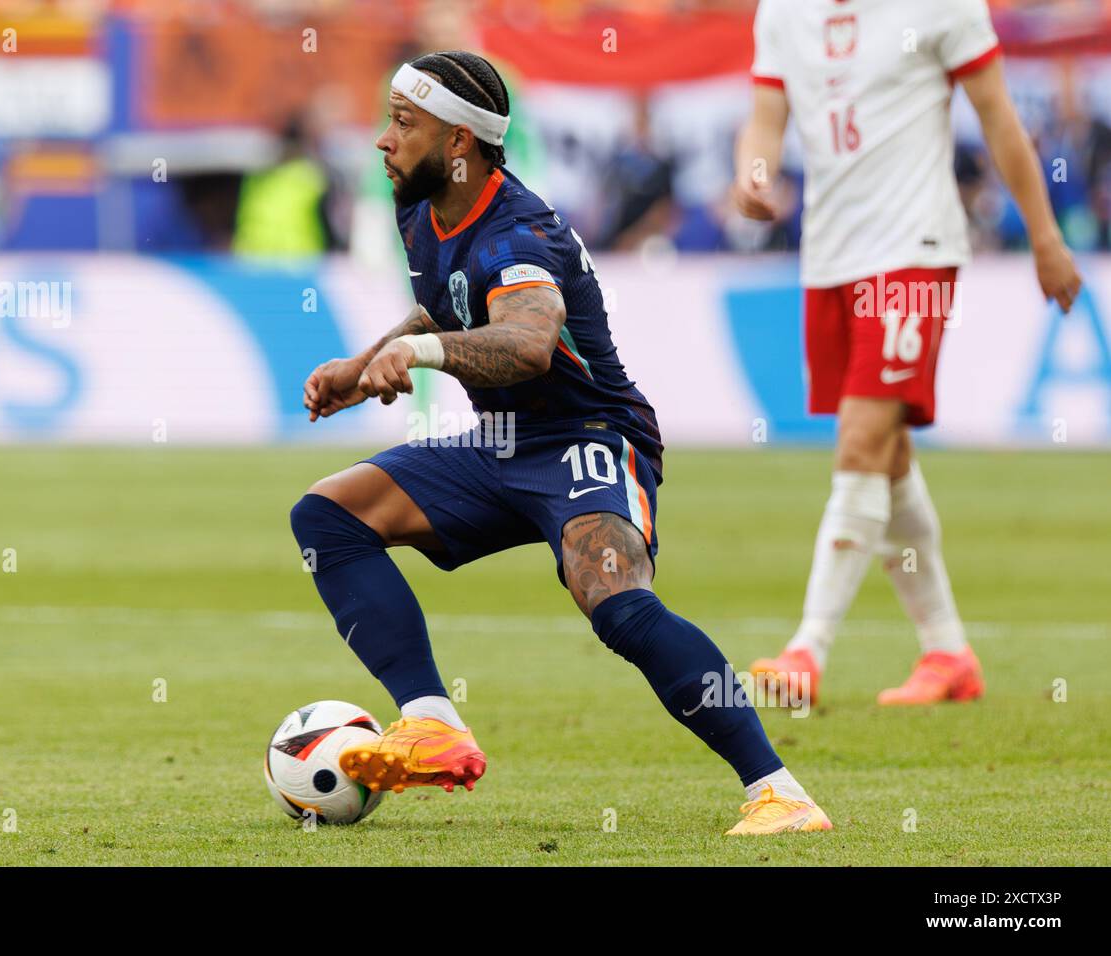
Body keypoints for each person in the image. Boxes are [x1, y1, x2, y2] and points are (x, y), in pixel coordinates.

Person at [291, 50, 831, 834]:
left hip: (589, 438)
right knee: (329, 517)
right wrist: (369, 358)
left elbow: (530, 340)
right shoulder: (420, 209)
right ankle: (432, 720)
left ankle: (779, 791)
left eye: (403, 124)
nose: (382, 139)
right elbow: (448, 303)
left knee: (615, 602)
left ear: (458, 145)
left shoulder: (519, 233)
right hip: (502, 441)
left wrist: (422, 355)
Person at [733, 0, 1083, 706]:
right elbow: (766, 117)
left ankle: (808, 650)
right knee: (886, 456)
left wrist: (1045, 237)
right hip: (830, 256)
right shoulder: (782, 11)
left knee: (862, 440)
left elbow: (998, 118)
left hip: (914, 249)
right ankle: (949, 651)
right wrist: (755, 175)